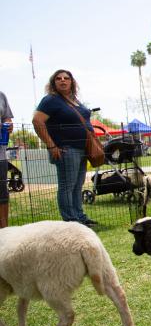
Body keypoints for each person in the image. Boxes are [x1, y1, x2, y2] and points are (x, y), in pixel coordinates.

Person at [32, 70, 98, 226]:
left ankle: (80, 217)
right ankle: (71, 220)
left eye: (66, 78)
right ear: (53, 82)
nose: (63, 80)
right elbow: (37, 121)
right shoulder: (51, 100)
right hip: (67, 149)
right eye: (58, 78)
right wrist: (51, 145)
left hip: (83, 148)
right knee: (67, 186)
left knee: (77, 185)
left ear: (72, 82)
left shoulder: (74, 100)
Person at [0, 91, 13, 228]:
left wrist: (8, 125)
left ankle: (4, 233)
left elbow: (6, 118)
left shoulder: (1, 95)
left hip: (0, 156)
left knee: (2, 195)